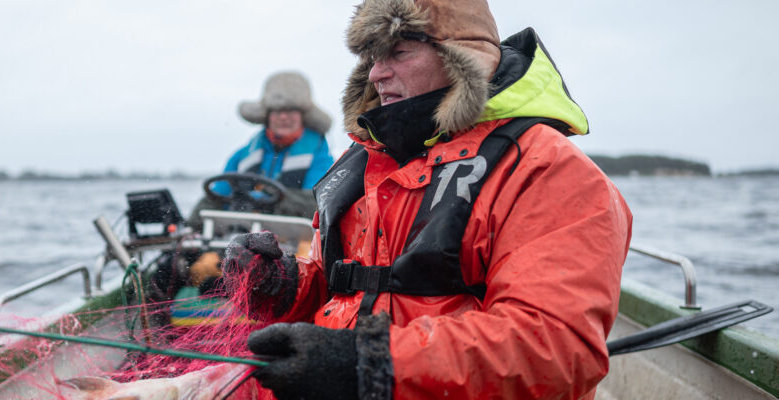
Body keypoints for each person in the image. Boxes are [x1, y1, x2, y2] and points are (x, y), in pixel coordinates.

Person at [222, 1, 633, 399]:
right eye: (372, 57)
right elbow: (345, 289)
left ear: (463, 59)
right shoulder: (367, 160)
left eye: (398, 53)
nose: (377, 74)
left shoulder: (547, 171)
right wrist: (284, 284)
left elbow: (553, 348)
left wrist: (373, 366)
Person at [187, 71, 335, 227]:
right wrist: (191, 226)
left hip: (292, 241)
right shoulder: (241, 156)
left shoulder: (321, 159)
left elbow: (316, 205)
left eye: (291, 110)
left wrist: (269, 197)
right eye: (277, 111)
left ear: (303, 116)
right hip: (241, 235)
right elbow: (217, 197)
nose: (283, 117)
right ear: (267, 116)